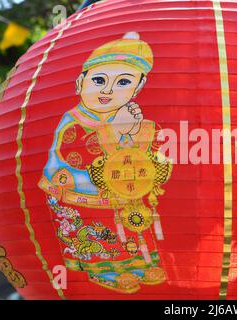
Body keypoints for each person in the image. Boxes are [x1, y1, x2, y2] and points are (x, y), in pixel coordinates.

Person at [38, 32, 171, 293]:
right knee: (102, 234)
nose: (108, 90)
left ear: (137, 89)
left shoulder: (124, 117)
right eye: (99, 80)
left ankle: (139, 264)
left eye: (123, 82)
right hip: (79, 194)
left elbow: (150, 150)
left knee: (133, 228)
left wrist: (136, 132)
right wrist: (121, 130)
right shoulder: (74, 119)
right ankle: (106, 271)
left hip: (121, 193)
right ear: (80, 83)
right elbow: (80, 154)